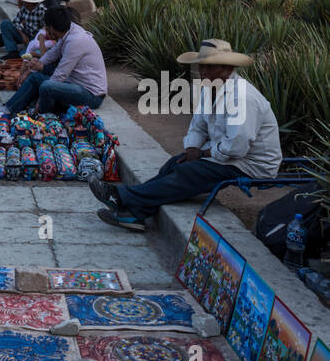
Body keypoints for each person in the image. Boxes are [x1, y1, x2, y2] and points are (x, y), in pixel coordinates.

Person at [89, 38, 282, 232]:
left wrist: (201, 154)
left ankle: (122, 197)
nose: (203, 72)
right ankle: (135, 212)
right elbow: (198, 126)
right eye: (201, 67)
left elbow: (236, 148)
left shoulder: (242, 97)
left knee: (188, 173)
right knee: (174, 164)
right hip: (226, 156)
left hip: (250, 164)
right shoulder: (210, 90)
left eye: (209, 67)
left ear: (226, 68)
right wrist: (192, 149)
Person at [0, 6, 107, 117]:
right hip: (74, 85)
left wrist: (40, 101)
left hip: (91, 95)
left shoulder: (76, 40)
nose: (45, 29)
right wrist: (30, 70)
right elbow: (51, 54)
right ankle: (8, 109)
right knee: (36, 78)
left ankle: (43, 115)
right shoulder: (69, 32)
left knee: (46, 86)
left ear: (51, 28)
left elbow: (60, 75)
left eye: (46, 27)